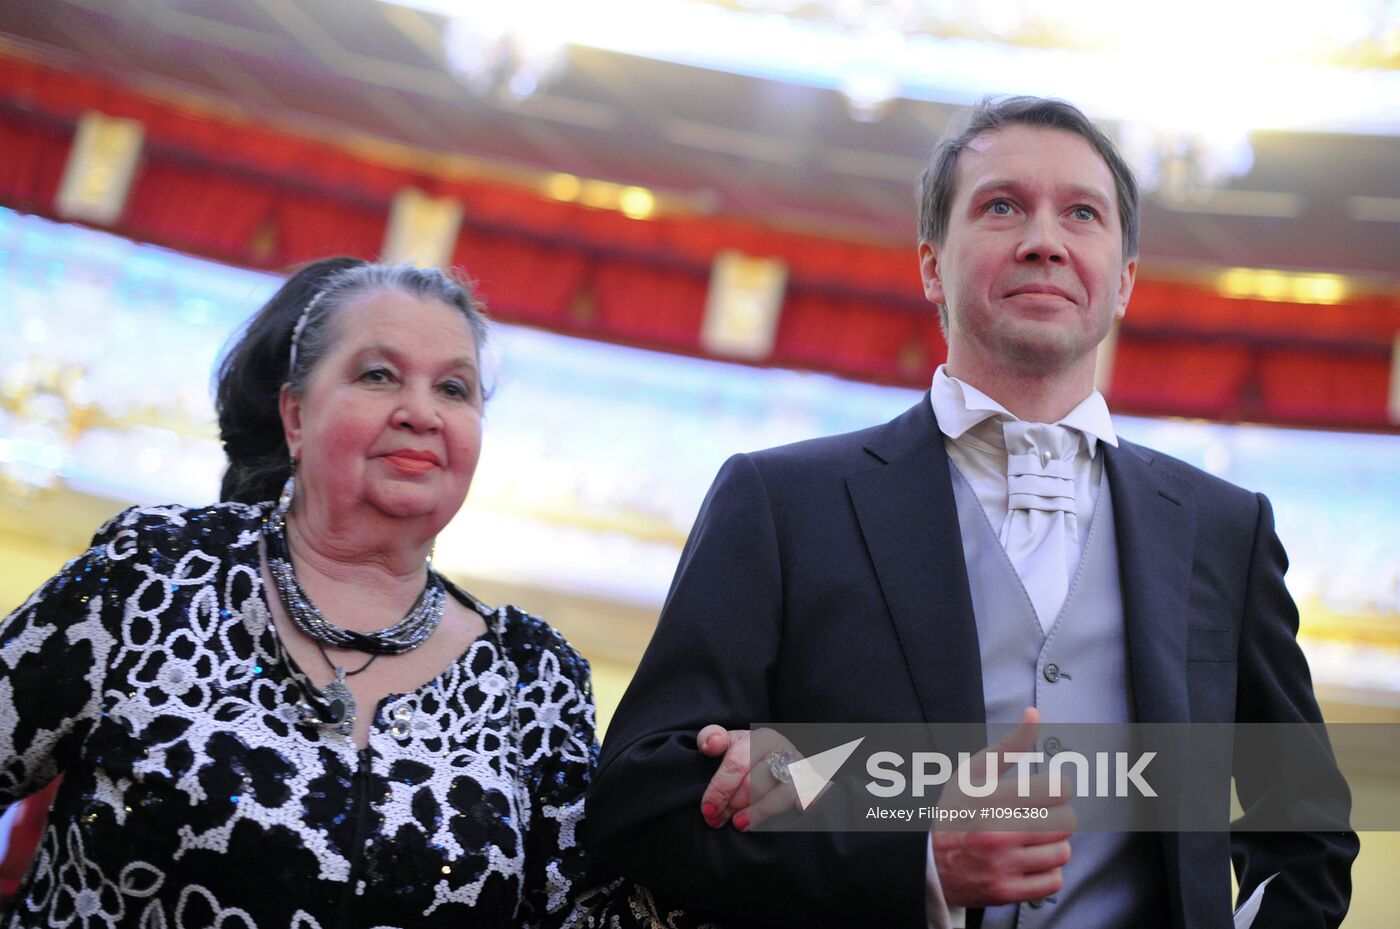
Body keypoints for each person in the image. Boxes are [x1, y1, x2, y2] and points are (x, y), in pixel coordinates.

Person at [588, 97, 1358, 928]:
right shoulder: (779, 500)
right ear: (931, 266)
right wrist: (914, 855)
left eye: (1082, 214)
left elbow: (1307, 833)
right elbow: (641, 800)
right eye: (1002, 206)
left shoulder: (1226, 531)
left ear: (1125, 282)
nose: (1044, 240)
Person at [0, 257, 753, 928]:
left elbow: (603, 913)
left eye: (453, 388)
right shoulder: (157, 570)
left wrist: (793, 775)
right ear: (296, 414)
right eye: (378, 375)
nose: (421, 411)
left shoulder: (532, 674)